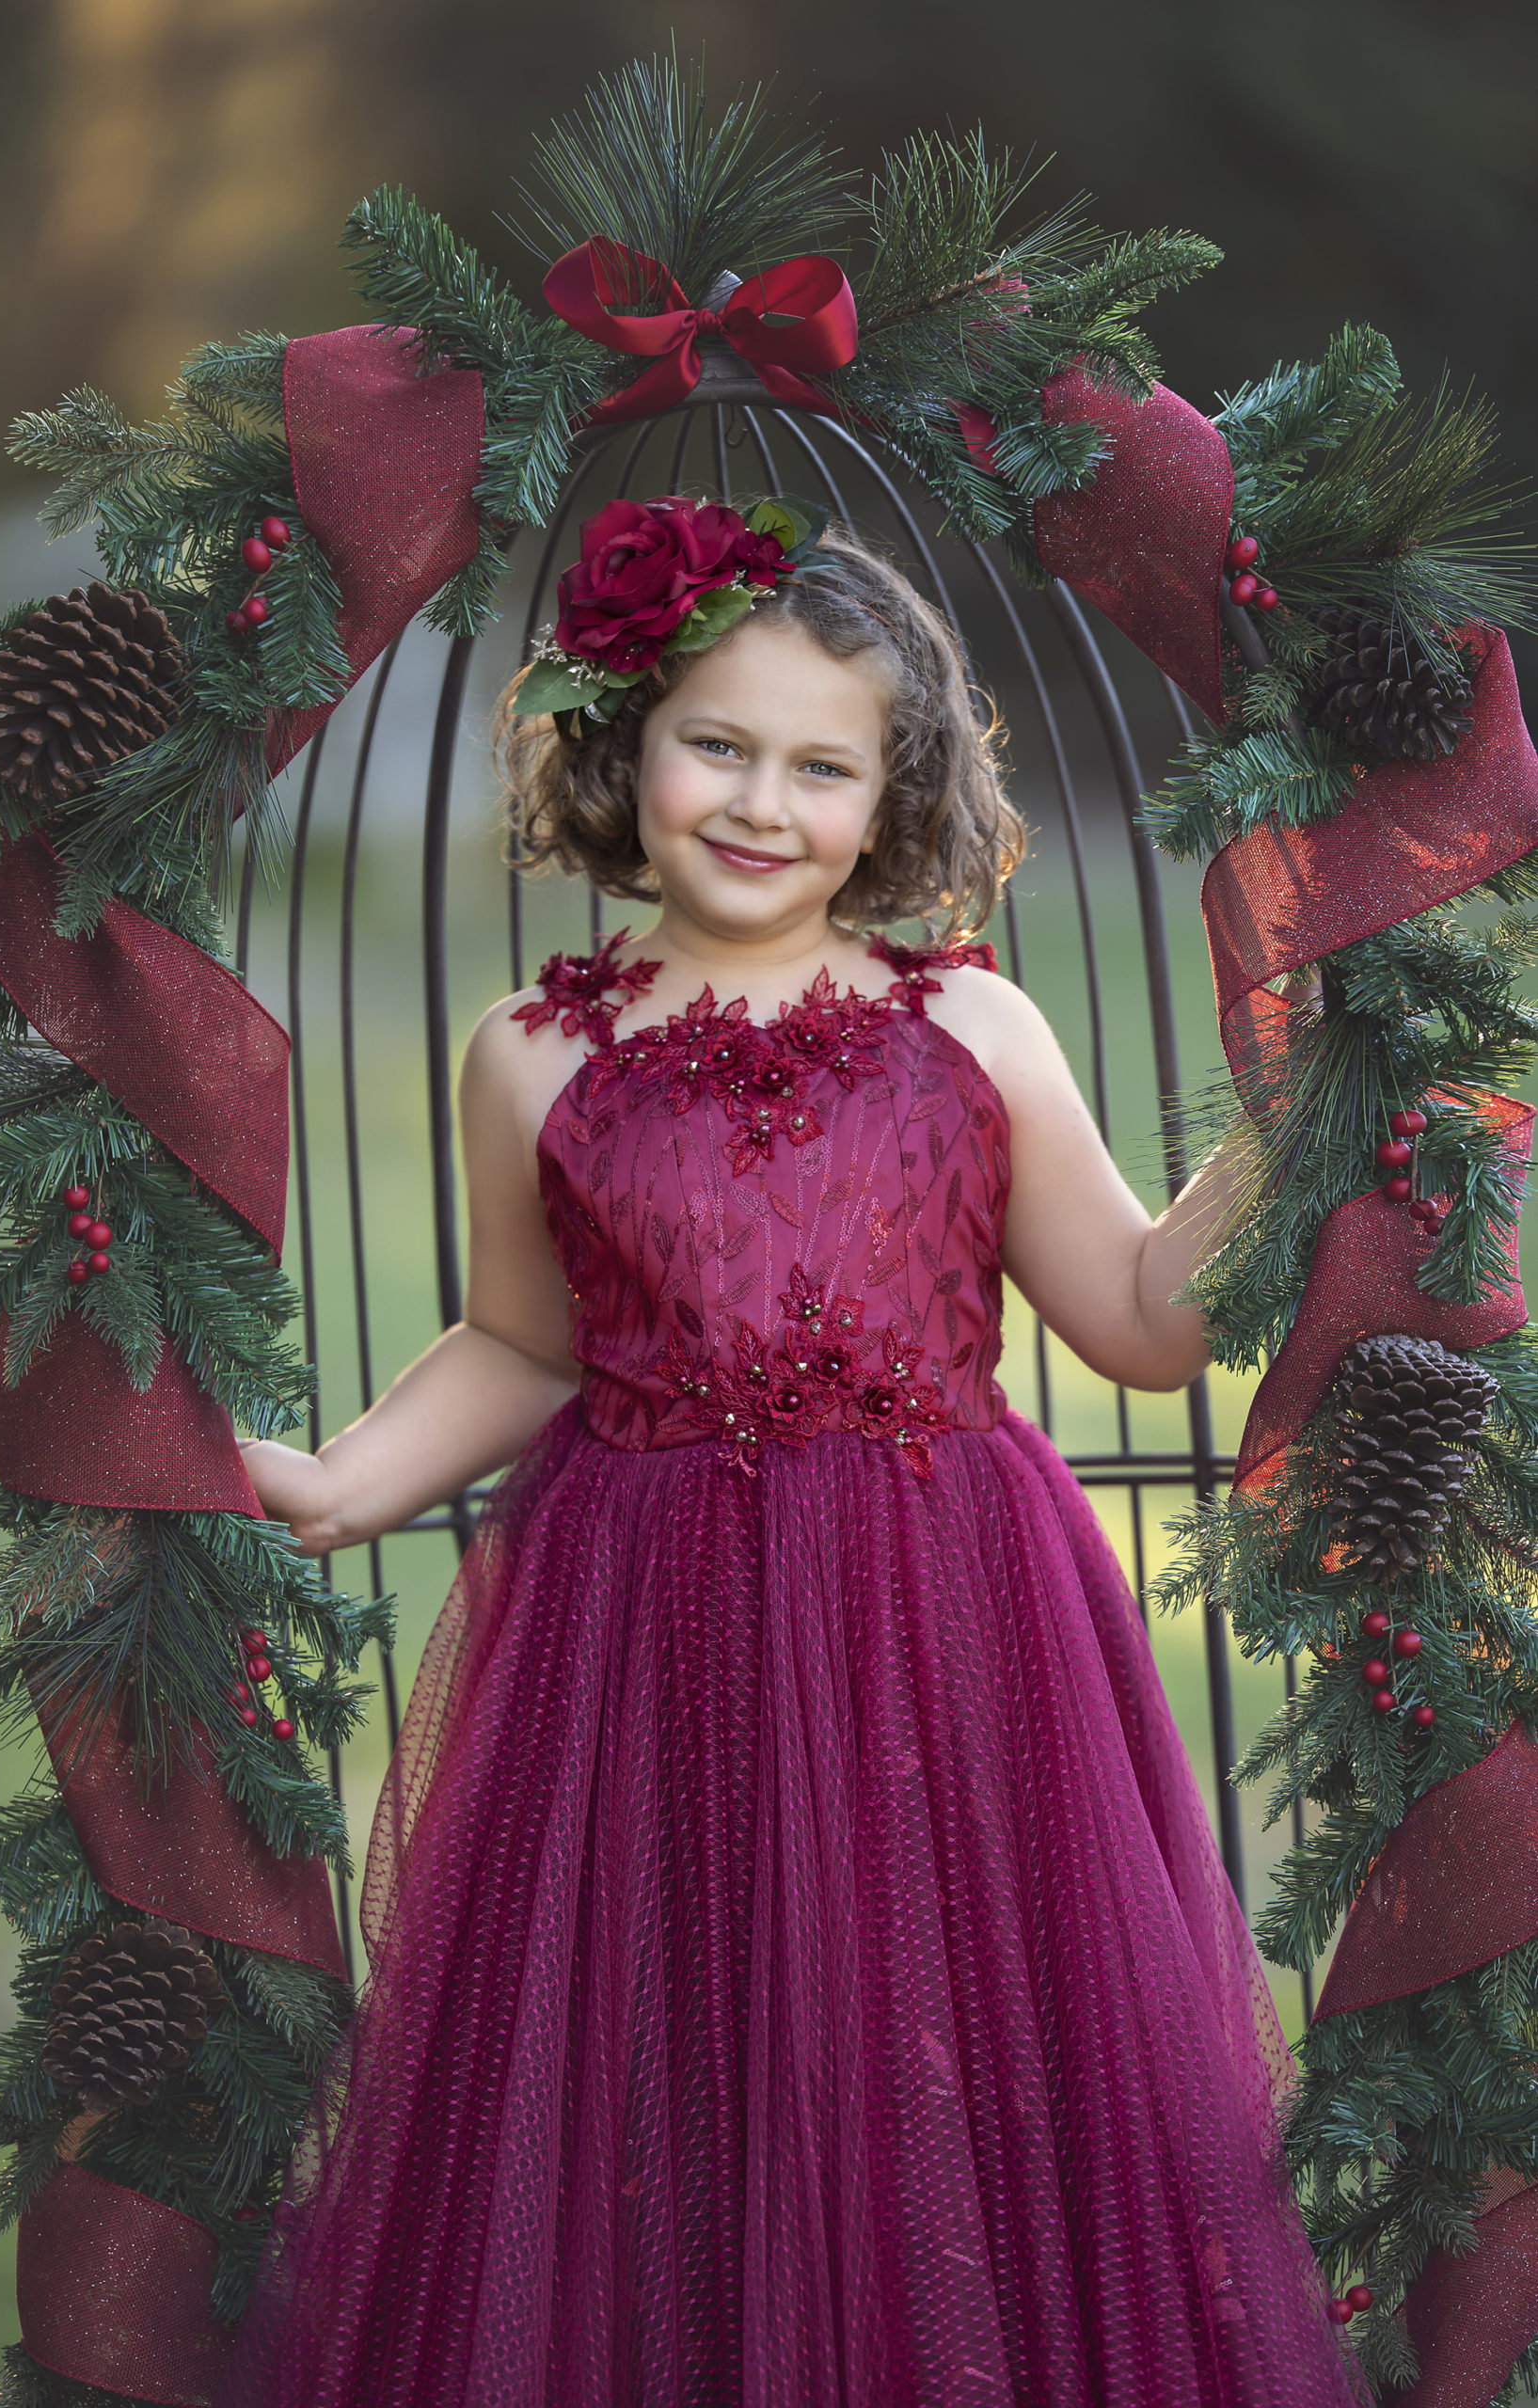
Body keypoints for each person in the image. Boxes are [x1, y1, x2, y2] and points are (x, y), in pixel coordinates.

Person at [219, 502, 1370, 2406]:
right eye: (716, 742)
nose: (760, 801)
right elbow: (523, 1335)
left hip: (946, 1608)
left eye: (820, 764)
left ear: (889, 793)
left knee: (947, 2035)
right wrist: (347, 1479)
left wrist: (1273, 1121)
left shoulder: (970, 1020)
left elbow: (1144, 1321)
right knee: (673, 2044)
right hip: (640, 1624)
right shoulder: (528, 1048)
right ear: (619, 742)